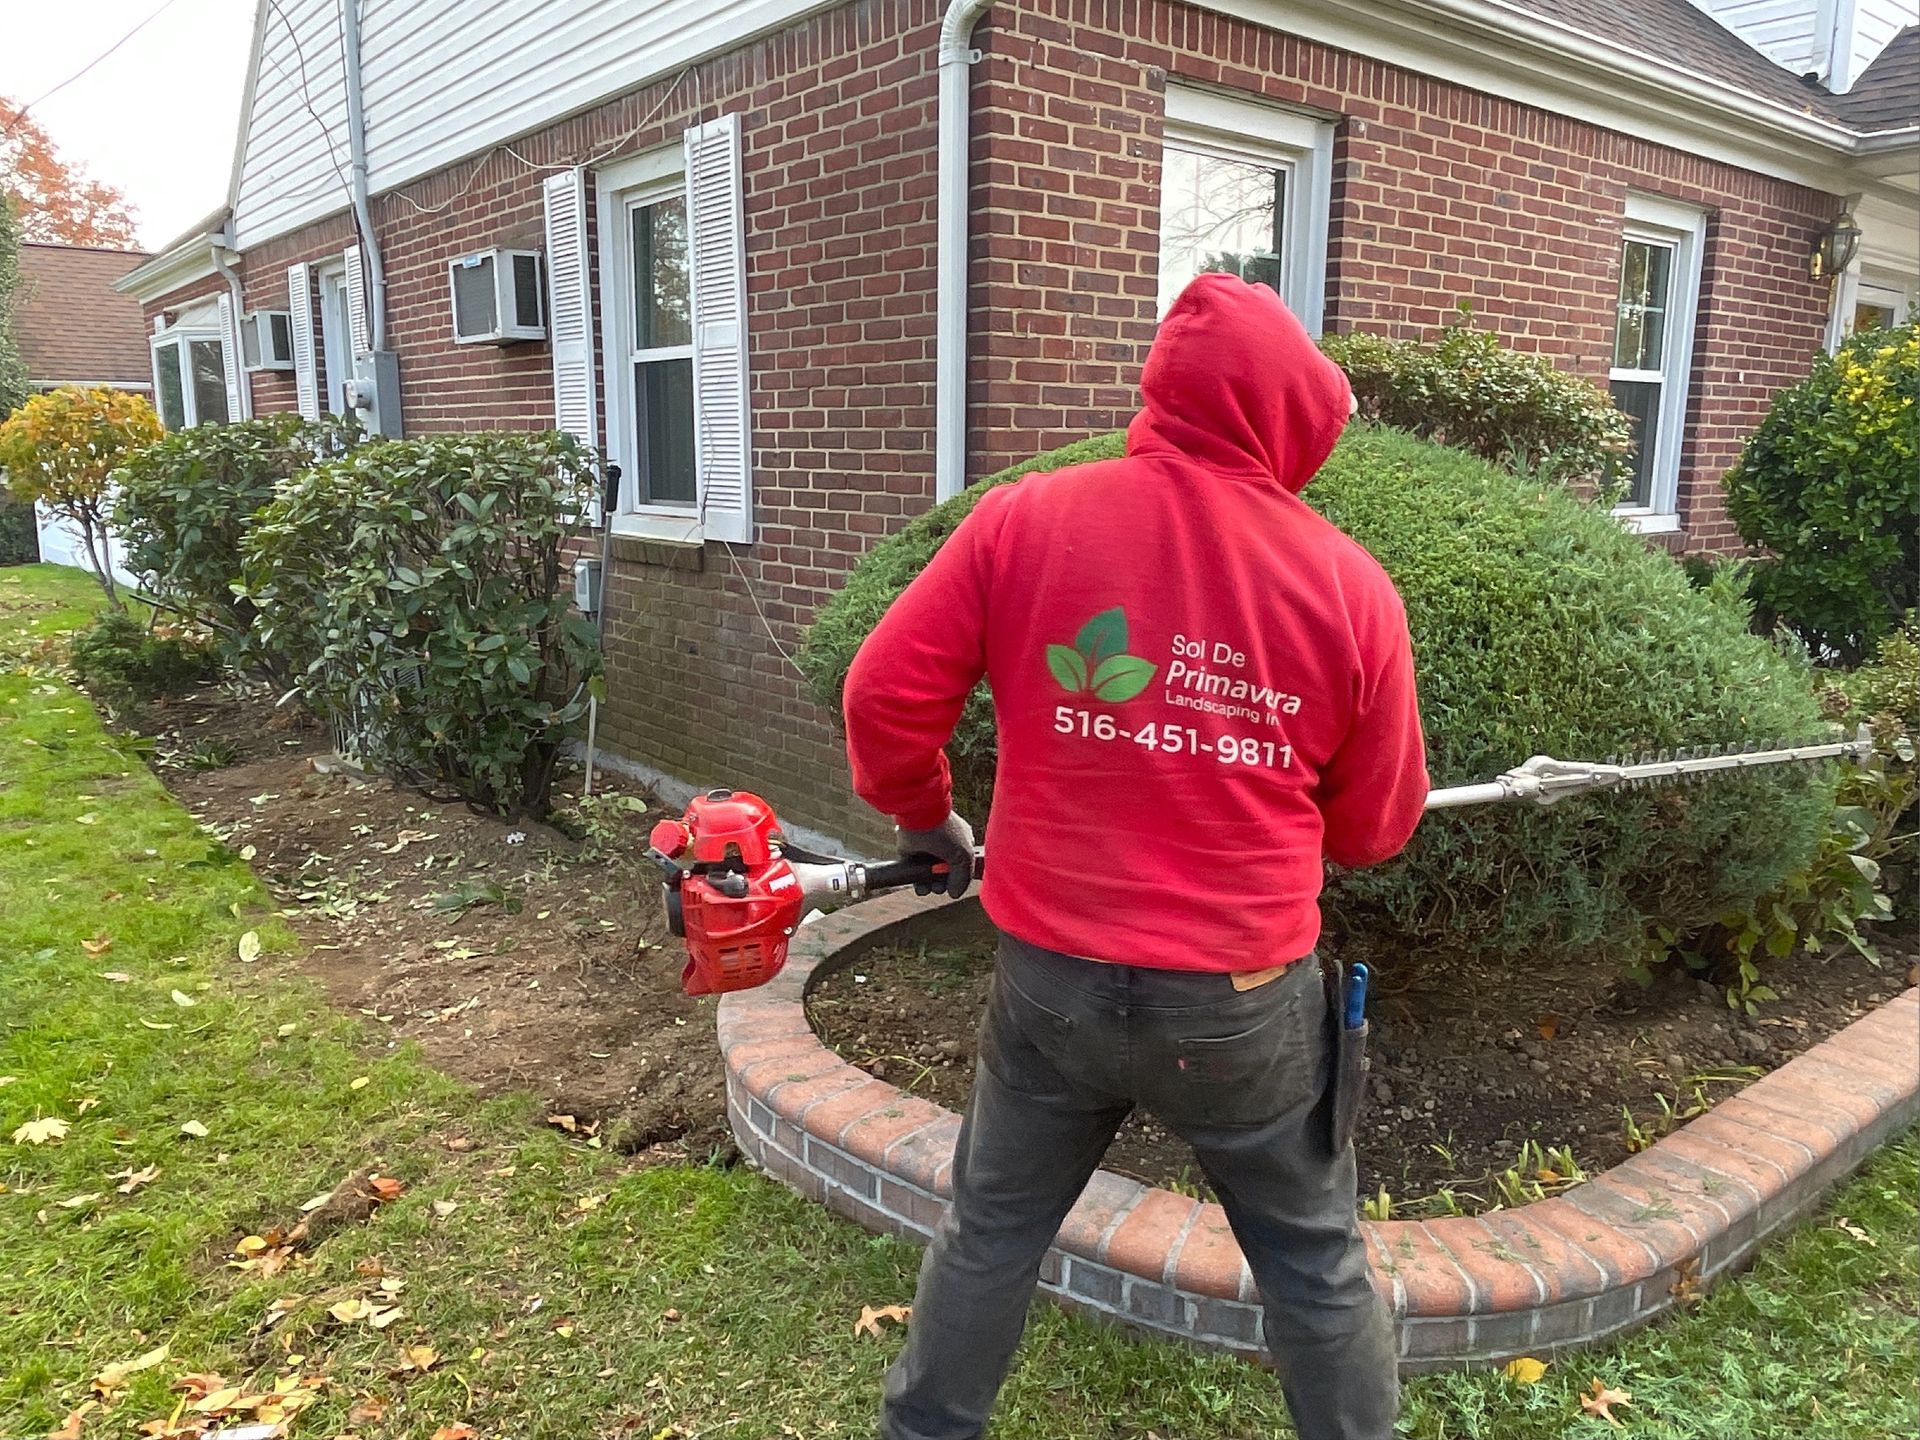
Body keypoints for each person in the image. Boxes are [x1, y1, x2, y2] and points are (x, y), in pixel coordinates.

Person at [840, 272, 1429, 1440]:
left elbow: (882, 696)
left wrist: (927, 823)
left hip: (1048, 981)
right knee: (1315, 1266)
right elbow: (1373, 832)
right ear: (1291, 416)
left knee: (992, 1227)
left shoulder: (1026, 519)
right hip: (1243, 1008)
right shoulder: (1351, 589)